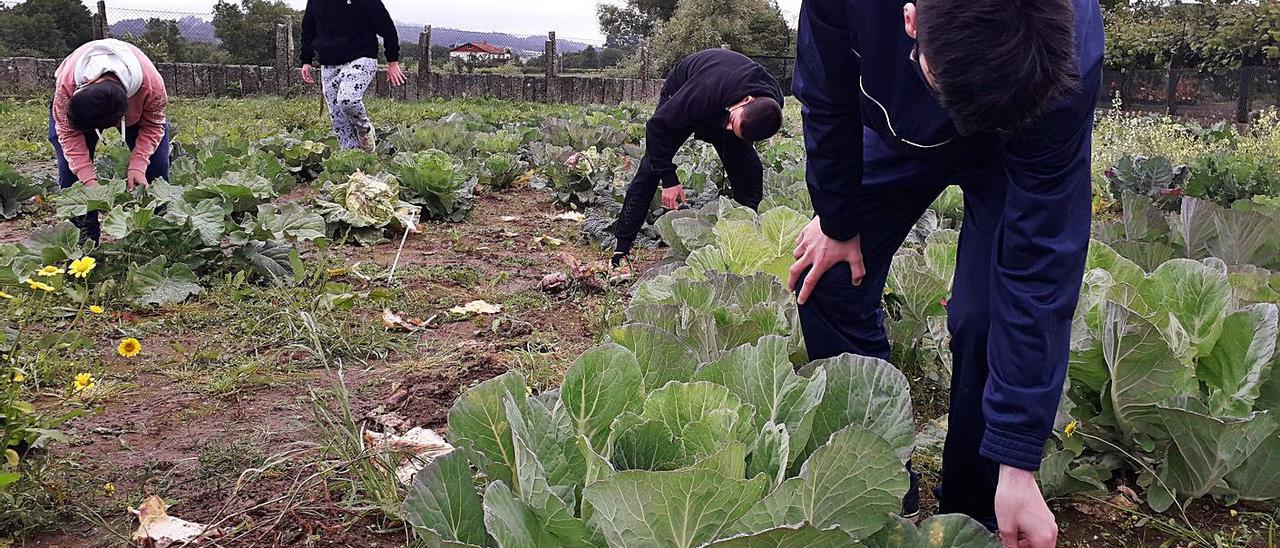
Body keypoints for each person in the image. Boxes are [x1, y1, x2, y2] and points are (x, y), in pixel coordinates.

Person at [788, 1, 1101, 547]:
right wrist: (837, 220)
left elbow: (1041, 264)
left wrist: (1019, 459)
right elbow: (826, 94)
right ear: (909, 21)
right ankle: (877, 479)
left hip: (1013, 141)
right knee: (828, 277)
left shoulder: (1068, 57)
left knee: (986, 319)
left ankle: (980, 511)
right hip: (897, 133)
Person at [612, 48, 784, 267]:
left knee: (750, 171)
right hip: (686, 88)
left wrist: (734, 137)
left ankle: (745, 233)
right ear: (747, 99)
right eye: (732, 122)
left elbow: (740, 131)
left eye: (736, 129)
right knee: (652, 166)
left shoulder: (770, 107)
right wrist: (669, 179)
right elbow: (657, 127)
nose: (729, 128)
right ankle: (621, 249)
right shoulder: (703, 92)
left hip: (728, 102)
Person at [48, 38, 170, 243]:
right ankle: (84, 241)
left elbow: (153, 125)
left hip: (134, 107)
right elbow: (67, 133)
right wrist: (88, 180)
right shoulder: (67, 85)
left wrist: (139, 165)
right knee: (72, 177)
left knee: (157, 167)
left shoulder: (152, 87)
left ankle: (159, 232)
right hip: (78, 108)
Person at [299, 0, 407, 153]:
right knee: (339, 120)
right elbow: (308, 30)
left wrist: (393, 62)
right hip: (329, 64)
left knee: (347, 100)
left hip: (361, 57)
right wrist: (306, 60)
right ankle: (355, 161)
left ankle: (364, 128)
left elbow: (387, 27)